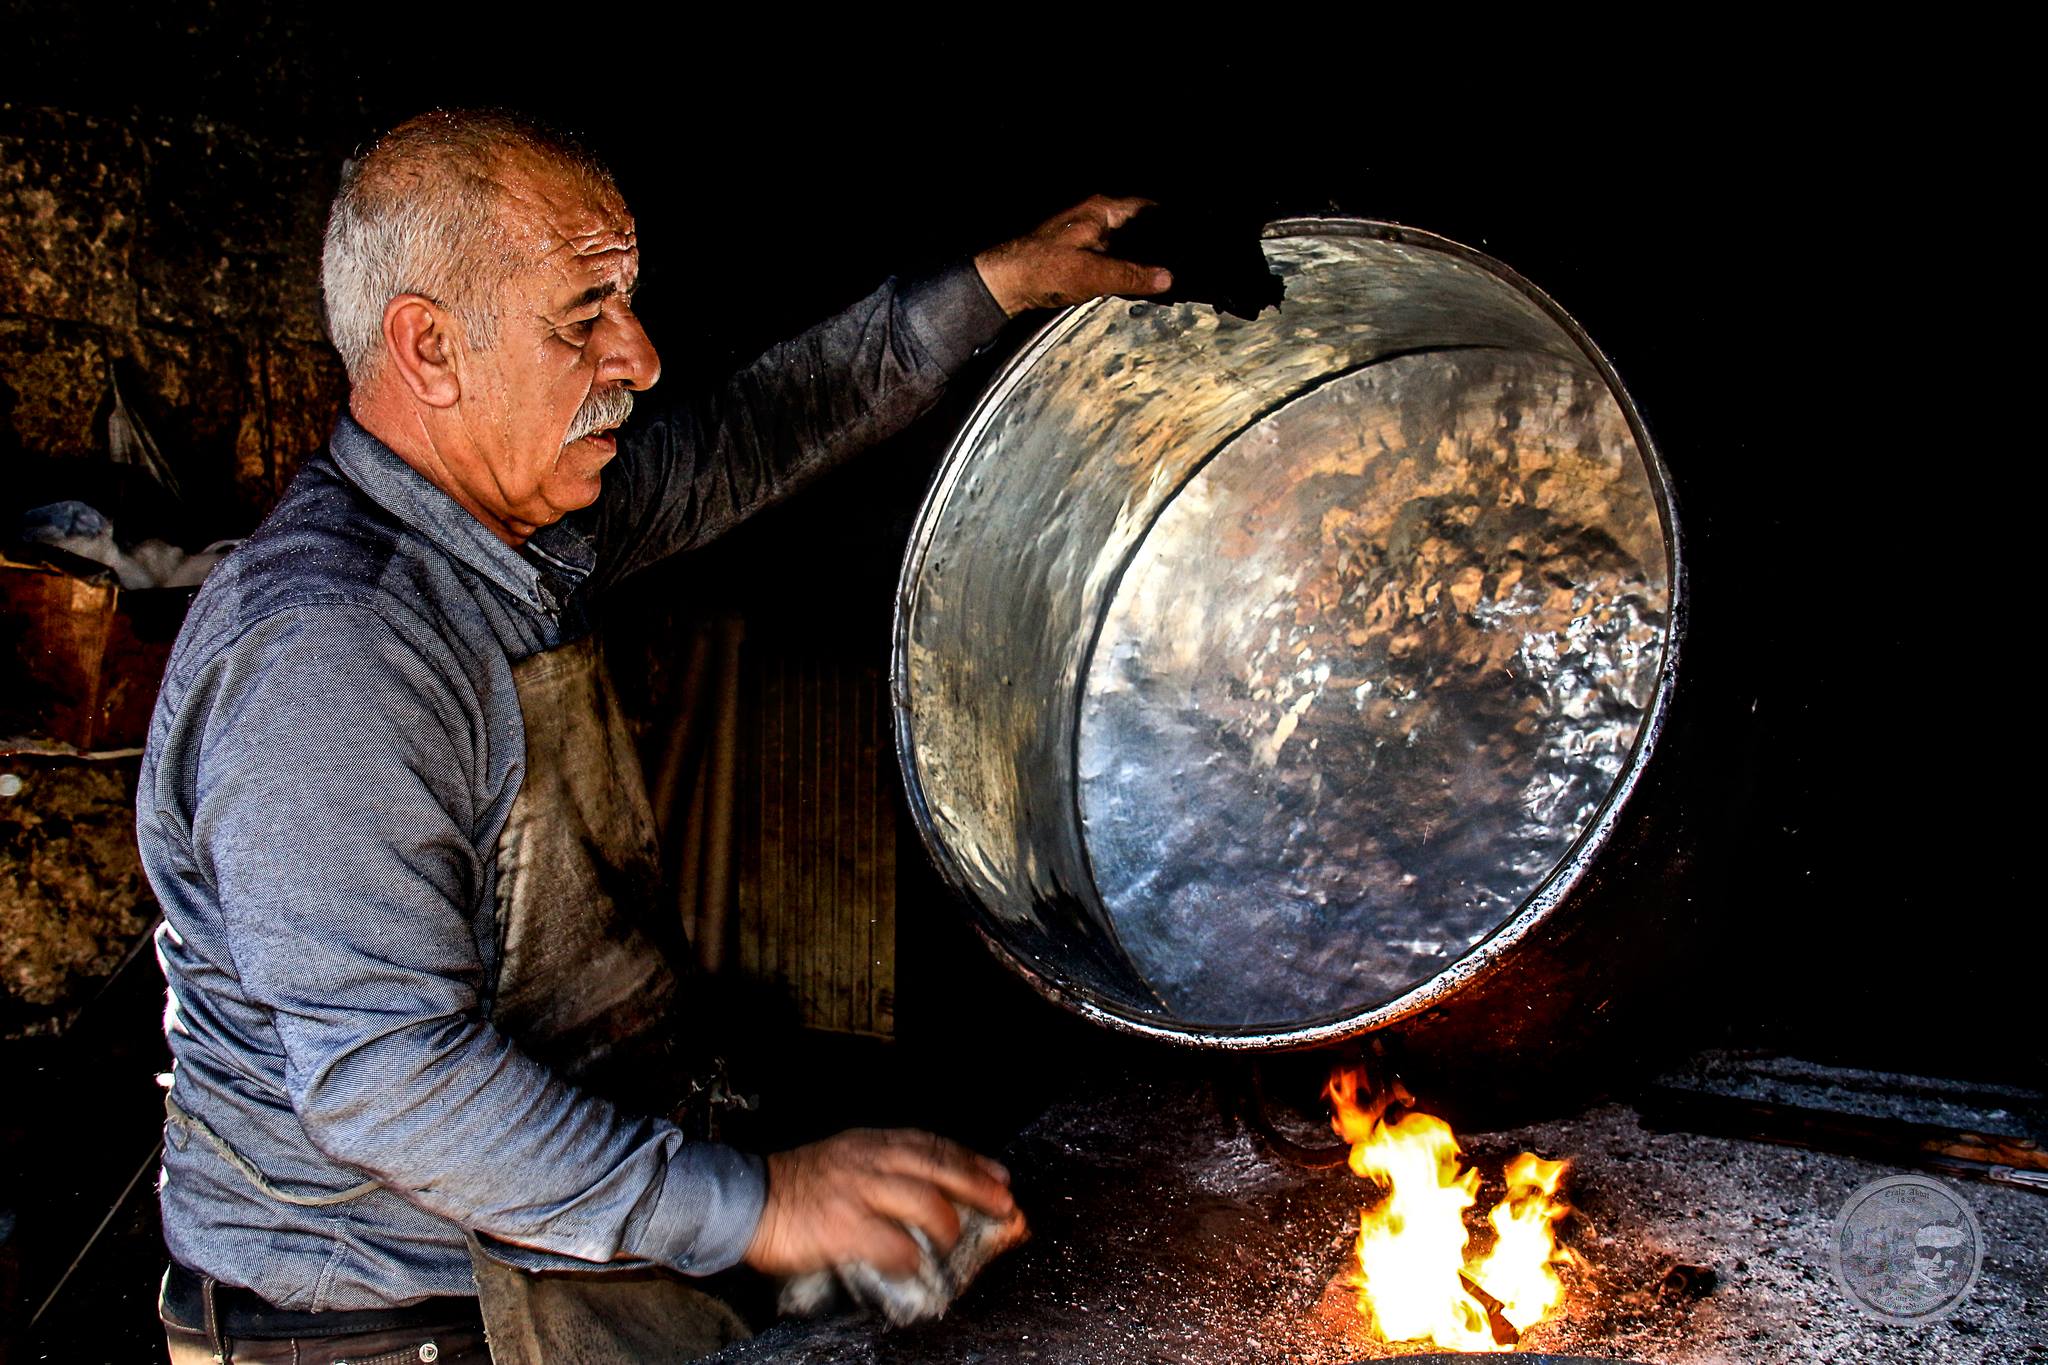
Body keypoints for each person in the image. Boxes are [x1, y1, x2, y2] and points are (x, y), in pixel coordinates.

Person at [139, 108, 1170, 1363]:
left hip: (554, 1267)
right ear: (429, 347)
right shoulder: (333, 654)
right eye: (583, 316)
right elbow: (387, 1084)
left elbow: (749, 435)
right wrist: (763, 1204)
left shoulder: (520, 535)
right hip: (383, 1329)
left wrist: (990, 286)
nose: (639, 353)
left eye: (627, 301)